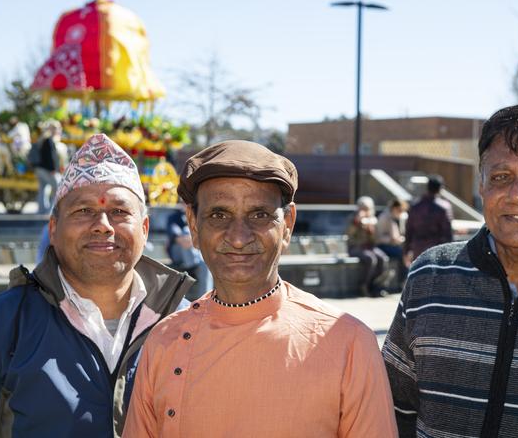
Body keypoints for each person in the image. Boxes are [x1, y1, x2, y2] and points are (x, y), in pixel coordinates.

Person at [123, 140, 398, 437]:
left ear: (288, 224)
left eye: (259, 215)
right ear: (194, 225)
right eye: (219, 215)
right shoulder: (164, 340)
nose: (239, 237)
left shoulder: (348, 343)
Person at [0, 133, 195, 437]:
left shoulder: (187, 327)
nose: (103, 224)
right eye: (83, 211)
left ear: (145, 228)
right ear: (53, 229)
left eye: (119, 211)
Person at [382, 101, 518, 437]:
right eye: (501, 177)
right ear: (482, 186)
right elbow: (393, 410)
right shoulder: (431, 276)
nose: (516, 195)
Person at [402, 174, 452, 267]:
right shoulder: (444, 207)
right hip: (437, 250)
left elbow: (408, 230)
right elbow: (447, 233)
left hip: (418, 249)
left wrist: (406, 251)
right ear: (440, 188)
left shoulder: (415, 206)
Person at [347, 196, 390, 297]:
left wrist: (371, 230)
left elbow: (376, 240)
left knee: (383, 258)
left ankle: (376, 285)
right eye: (363, 209)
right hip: (355, 247)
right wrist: (356, 222)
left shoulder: (372, 219)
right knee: (370, 259)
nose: (365, 211)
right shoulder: (352, 218)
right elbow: (349, 234)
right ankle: (363, 286)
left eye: (367, 209)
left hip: (370, 247)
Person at [166, 206, 212, 300]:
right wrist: (192, 239)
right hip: (178, 253)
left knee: (205, 264)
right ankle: (192, 263)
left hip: (195, 252)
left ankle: (205, 300)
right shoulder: (174, 217)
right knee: (186, 231)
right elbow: (179, 238)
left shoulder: (198, 217)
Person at [376, 198, 408, 288]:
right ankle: (402, 282)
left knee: (408, 252)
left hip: (395, 244)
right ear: (394, 208)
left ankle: (405, 280)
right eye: (399, 210)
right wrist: (391, 239)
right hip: (383, 245)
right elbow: (378, 237)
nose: (401, 212)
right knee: (403, 253)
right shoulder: (384, 217)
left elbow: (403, 232)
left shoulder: (400, 217)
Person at [34, 119, 63, 214]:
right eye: (56, 128)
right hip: (47, 169)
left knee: (43, 189)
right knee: (58, 187)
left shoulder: (42, 138)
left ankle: (41, 211)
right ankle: (50, 210)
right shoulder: (49, 140)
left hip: (39, 168)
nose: (58, 130)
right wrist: (54, 169)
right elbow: (51, 157)